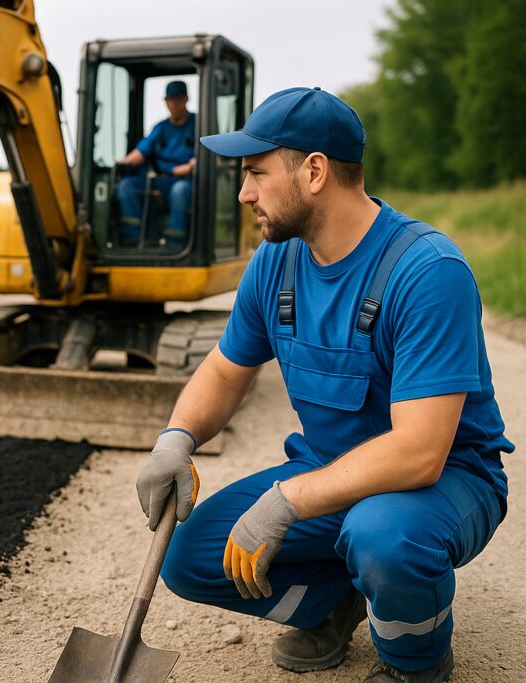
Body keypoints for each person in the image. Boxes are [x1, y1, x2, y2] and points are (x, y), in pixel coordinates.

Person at [134, 87, 513, 682]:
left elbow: (419, 453)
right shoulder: (276, 262)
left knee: (383, 537)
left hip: (445, 478)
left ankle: (414, 662)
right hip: (330, 468)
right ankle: (336, 600)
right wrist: (176, 439)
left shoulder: (427, 272)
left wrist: (288, 501)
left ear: (314, 172)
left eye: (256, 173)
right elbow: (226, 370)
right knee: (191, 558)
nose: (245, 193)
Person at [115, 80, 196, 250]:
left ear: (186, 99)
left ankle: (175, 244)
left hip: (185, 181)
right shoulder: (160, 128)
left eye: (177, 99)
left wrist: (192, 165)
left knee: (180, 191)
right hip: (160, 179)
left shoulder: (197, 124)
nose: (173, 104)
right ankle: (132, 239)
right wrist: (122, 163)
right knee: (126, 186)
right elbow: (140, 152)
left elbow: (206, 154)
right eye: (169, 100)